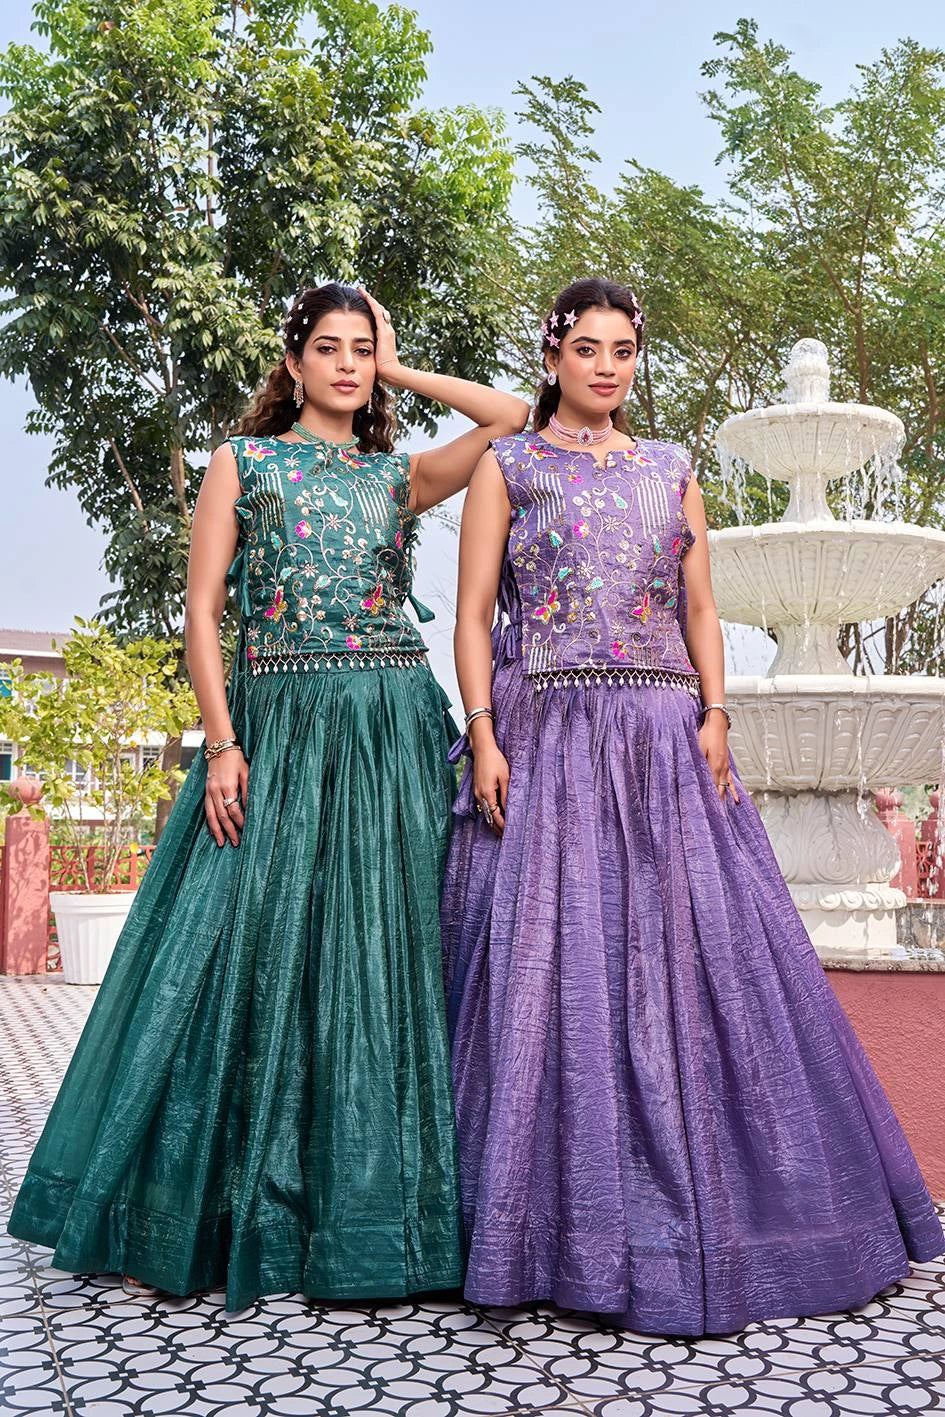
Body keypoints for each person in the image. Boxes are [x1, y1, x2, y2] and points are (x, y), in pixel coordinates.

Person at [8, 281, 530, 1312]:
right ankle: (216, 1202)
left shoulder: (396, 474)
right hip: (279, 726)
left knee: (380, 953)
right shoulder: (242, 463)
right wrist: (221, 742)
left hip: (391, 729)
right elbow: (201, 610)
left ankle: (374, 1209)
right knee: (242, 943)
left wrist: (397, 361)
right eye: (328, 348)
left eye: (361, 350)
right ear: (291, 363)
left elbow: (509, 417)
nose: (346, 365)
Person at [440, 276, 944, 1337]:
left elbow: (702, 605)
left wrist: (715, 715)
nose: (608, 366)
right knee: (552, 973)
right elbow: (474, 616)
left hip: (666, 738)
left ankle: (720, 1214)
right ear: (553, 358)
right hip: (552, 738)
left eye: (623, 349)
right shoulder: (510, 467)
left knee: (688, 964)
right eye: (588, 348)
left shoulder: (672, 471)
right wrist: (483, 731)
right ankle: (544, 1232)